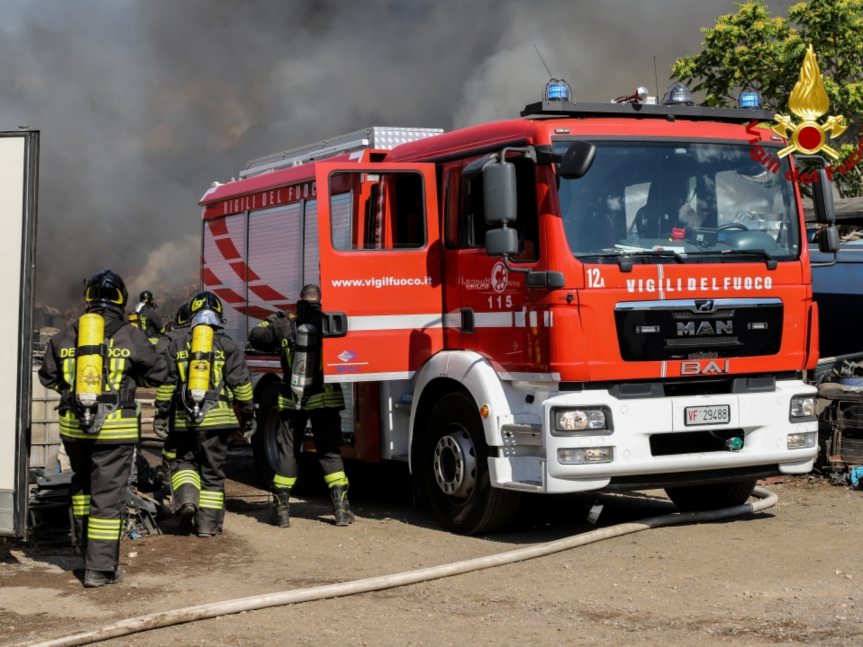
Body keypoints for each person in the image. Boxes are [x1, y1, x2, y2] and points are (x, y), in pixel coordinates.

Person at [38, 270, 168, 588]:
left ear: (88, 299)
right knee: (107, 499)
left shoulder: (66, 335)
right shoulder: (131, 335)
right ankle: (100, 569)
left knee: (82, 485)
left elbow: (48, 376)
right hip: (115, 430)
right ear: (121, 298)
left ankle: (84, 551)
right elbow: (160, 373)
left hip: (74, 429)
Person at [248, 284, 354, 528]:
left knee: (288, 453)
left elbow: (256, 336)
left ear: (300, 300)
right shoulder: (330, 321)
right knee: (329, 452)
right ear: (321, 300)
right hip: (325, 398)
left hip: (292, 400)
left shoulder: (285, 323)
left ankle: (282, 512)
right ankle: (340, 510)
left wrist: (273, 320)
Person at [154, 291, 255, 537]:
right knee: (212, 472)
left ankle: (187, 502)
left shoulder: (177, 343)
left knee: (184, 463)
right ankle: (207, 526)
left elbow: (167, 383)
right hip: (218, 420)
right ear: (219, 317)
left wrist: (161, 414)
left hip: (183, 419)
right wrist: (249, 415)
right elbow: (241, 385)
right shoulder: (228, 344)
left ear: (192, 316)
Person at [153, 302, 192, 486]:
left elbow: (164, 371)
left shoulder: (171, 339)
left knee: (174, 437)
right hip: (210, 404)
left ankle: (167, 471)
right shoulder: (214, 338)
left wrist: (161, 410)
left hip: (179, 401)